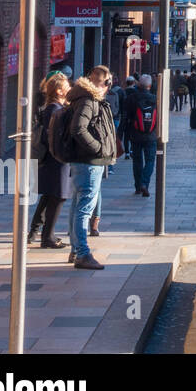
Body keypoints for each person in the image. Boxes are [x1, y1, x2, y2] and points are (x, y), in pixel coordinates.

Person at [65, 66, 118, 270]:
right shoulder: (88, 100)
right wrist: (97, 148)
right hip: (89, 162)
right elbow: (78, 128)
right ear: (103, 82)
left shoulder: (85, 98)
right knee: (84, 208)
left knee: (78, 206)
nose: (109, 87)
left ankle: (76, 249)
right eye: (108, 83)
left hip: (84, 161)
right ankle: (83, 254)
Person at [27, 73, 70, 248]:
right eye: (67, 86)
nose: (69, 88)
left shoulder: (56, 107)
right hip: (55, 161)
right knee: (57, 197)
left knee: (52, 196)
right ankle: (47, 237)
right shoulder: (54, 109)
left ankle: (43, 234)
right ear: (59, 91)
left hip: (54, 160)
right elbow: (52, 137)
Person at [123, 74, 158, 197]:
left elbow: (126, 116)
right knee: (150, 160)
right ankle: (144, 183)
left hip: (135, 135)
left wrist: (122, 133)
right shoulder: (155, 99)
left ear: (139, 84)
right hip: (151, 135)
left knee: (137, 161)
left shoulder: (132, 98)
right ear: (150, 85)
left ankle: (138, 186)